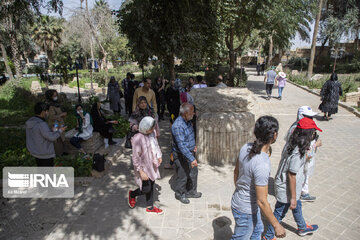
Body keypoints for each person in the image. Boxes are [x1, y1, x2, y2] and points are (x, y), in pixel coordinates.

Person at [263, 117, 321, 239]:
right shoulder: (297, 152)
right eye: (313, 132)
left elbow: (303, 159)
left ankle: (302, 227)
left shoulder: (292, 142)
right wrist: (293, 198)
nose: (314, 135)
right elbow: (291, 174)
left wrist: (314, 146)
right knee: (280, 212)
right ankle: (268, 236)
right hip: (287, 188)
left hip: (289, 186)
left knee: (297, 206)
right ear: (308, 134)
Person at [231, 116, 286, 240]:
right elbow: (262, 201)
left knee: (257, 232)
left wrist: (241, 190)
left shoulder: (245, 147)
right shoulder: (262, 164)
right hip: (246, 211)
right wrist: (276, 225)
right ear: (274, 135)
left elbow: (236, 172)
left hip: (239, 201)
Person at [285, 106, 321, 202]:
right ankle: (300, 194)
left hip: (304, 158)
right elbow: (302, 149)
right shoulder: (297, 128)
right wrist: (315, 145)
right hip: (302, 157)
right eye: (308, 117)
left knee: (305, 175)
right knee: (299, 175)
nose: (310, 119)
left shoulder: (301, 126)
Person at [128, 116, 163, 214]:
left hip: (152, 164)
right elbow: (135, 157)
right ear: (144, 127)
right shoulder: (138, 138)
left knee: (151, 184)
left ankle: (150, 207)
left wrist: (159, 155)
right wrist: (141, 171)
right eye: (151, 128)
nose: (152, 130)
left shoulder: (152, 133)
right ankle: (133, 194)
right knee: (146, 188)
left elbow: (156, 145)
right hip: (143, 167)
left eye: (153, 128)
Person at [172, 103, 201, 204]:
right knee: (183, 174)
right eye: (192, 112)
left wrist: (193, 146)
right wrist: (191, 158)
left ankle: (191, 191)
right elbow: (181, 145)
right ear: (185, 113)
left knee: (193, 172)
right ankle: (180, 193)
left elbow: (189, 136)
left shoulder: (188, 121)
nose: (194, 114)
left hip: (189, 152)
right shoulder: (178, 126)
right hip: (181, 154)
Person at [26, 102, 66, 166]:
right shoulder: (41, 124)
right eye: (47, 111)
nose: (48, 113)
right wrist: (60, 130)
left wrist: (51, 130)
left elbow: (39, 133)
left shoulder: (31, 121)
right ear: (43, 112)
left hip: (36, 151)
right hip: (45, 153)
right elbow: (51, 137)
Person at [45, 89, 67, 156]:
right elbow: (52, 117)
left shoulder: (56, 104)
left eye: (56, 95)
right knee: (57, 140)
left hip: (60, 123)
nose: (56, 96)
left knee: (62, 138)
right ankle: (58, 154)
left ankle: (62, 152)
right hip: (55, 125)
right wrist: (62, 115)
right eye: (54, 95)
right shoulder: (50, 106)